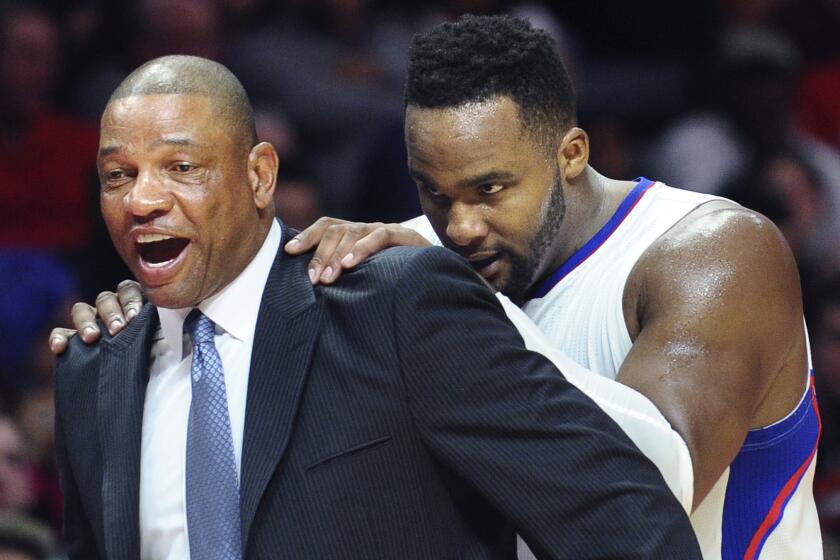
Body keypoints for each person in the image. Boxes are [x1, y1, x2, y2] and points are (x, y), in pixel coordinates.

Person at [60, 15, 819, 559]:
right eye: (434, 193)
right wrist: (164, 323)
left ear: (571, 153)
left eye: (491, 189)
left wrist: (446, 303)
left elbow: (653, 483)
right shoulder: (419, 262)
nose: (459, 227)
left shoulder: (713, 252)